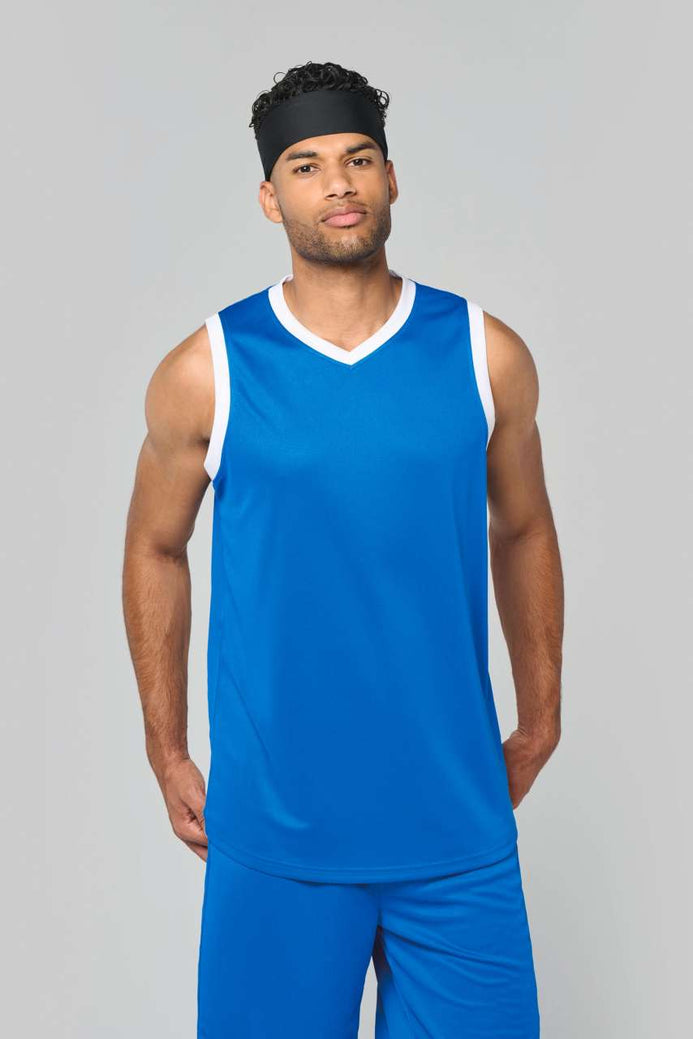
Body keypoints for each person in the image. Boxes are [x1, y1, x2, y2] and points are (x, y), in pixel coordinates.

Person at [122, 59, 563, 1038]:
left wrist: (541, 719)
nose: (339, 184)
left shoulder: (484, 353)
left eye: (359, 159)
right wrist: (165, 745)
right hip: (276, 834)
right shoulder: (209, 370)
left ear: (391, 177)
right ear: (270, 197)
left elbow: (524, 524)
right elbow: (155, 545)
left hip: (453, 827)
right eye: (307, 166)